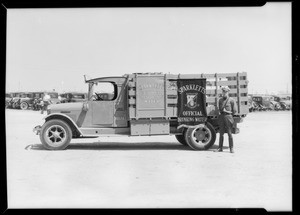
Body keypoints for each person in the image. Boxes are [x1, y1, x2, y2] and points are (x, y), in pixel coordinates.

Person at [215, 86, 237, 153]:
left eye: (225, 92)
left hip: (228, 117)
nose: (224, 93)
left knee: (229, 133)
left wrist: (227, 112)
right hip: (221, 117)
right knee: (221, 133)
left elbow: (234, 111)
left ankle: (231, 148)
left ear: (228, 92)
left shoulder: (231, 100)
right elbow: (219, 109)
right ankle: (220, 148)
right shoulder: (220, 100)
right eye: (223, 92)